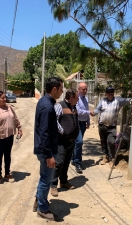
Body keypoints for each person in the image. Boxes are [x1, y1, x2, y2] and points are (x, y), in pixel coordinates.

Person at [33, 77, 63, 221]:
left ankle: (38, 200)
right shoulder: (48, 107)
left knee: (44, 177)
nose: (62, 92)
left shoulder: (44, 101)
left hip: (45, 149)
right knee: (46, 178)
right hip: (47, 151)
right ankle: (42, 208)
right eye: (61, 89)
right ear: (54, 89)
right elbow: (44, 132)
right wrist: (49, 155)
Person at [0, 91, 22, 185]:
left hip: (9, 136)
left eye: (5, 97)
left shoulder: (9, 107)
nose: (5, 99)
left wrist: (19, 128)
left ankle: (7, 174)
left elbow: (15, 118)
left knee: (7, 155)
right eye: (2, 98)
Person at [91, 86, 132, 167]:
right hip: (102, 125)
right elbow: (97, 109)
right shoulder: (102, 101)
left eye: (111, 92)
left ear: (113, 93)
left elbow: (126, 100)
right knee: (103, 142)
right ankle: (105, 157)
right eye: (108, 92)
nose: (110, 93)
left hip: (112, 127)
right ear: (106, 94)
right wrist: (94, 113)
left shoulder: (117, 101)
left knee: (111, 141)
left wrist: (131, 100)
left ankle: (112, 159)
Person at [50, 88, 79, 197]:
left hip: (71, 140)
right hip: (61, 140)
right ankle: (53, 185)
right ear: (71, 97)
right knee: (59, 162)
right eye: (77, 97)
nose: (78, 99)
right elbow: (54, 120)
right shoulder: (59, 106)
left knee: (66, 162)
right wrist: (63, 131)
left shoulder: (74, 107)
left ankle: (63, 181)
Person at [71, 82, 90, 174]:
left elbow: (86, 109)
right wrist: (89, 112)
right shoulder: (76, 99)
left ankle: (73, 158)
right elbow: (78, 111)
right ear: (79, 89)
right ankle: (78, 163)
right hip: (77, 123)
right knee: (79, 142)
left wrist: (88, 121)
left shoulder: (86, 98)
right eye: (83, 89)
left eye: (86, 89)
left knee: (77, 142)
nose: (85, 91)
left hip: (83, 124)